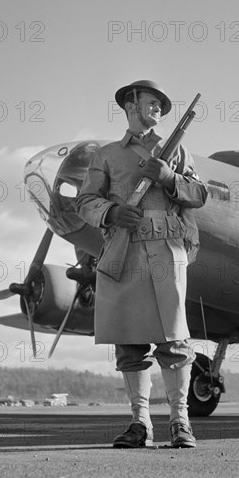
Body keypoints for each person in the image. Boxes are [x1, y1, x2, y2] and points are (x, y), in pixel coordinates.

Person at [76, 80, 208, 448]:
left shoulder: (177, 151)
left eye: (163, 106)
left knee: (175, 343)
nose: (159, 109)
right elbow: (85, 201)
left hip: (167, 251)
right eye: (152, 102)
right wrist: (113, 212)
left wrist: (168, 176)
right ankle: (140, 425)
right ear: (131, 104)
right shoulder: (106, 155)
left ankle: (181, 423)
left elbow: (199, 194)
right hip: (125, 250)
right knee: (129, 344)